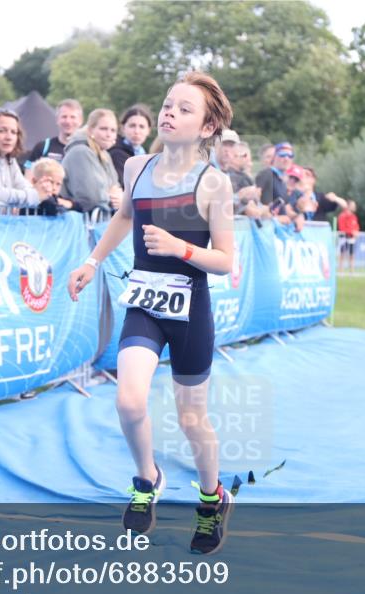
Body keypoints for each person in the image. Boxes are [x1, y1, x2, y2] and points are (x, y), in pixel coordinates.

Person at [67, 71, 235, 555]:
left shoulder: (213, 183)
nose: (169, 113)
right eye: (168, 104)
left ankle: (211, 499)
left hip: (190, 310)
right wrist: (91, 261)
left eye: (185, 109)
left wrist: (181, 247)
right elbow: (124, 217)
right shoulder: (136, 168)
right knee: (129, 401)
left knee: (192, 420)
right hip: (145, 302)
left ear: (206, 127)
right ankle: (147, 478)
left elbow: (225, 262)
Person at [61, 109, 123, 217]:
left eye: (113, 130)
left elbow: (116, 188)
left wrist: (120, 197)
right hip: (81, 224)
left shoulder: (104, 154)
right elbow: (91, 197)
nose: (109, 134)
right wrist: (111, 197)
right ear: (90, 130)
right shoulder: (80, 152)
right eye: (103, 129)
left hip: (100, 222)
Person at [21, 99, 84, 175]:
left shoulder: (88, 149)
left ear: (80, 121)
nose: (68, 121)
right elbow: (29, 176)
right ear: (57, 120)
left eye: (73, 117)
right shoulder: (43, 147)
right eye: (64, 117)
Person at [110, 104, 153, 186]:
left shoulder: (145, 155)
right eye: (132, 126)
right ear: (123, 128)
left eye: (142, 127)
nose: (137, 131)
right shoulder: (116, 154)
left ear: (148, 130)